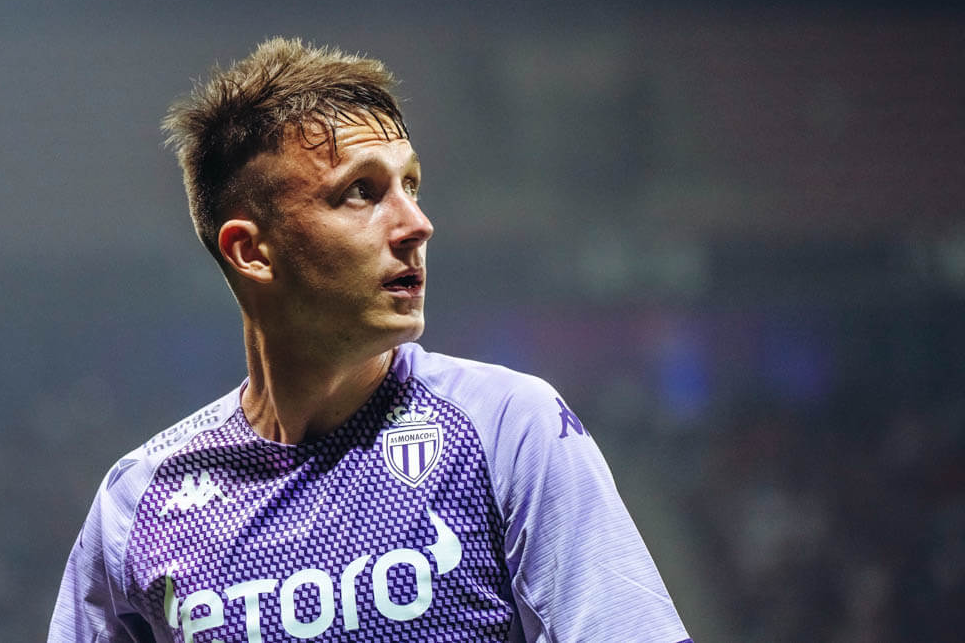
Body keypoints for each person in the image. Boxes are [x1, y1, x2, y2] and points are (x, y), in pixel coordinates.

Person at [49, 37, 691, 643]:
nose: (418, 224)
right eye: (361, 192)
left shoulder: (508, 429)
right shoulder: (139, 500)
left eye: (410, 185)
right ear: (252, 252)